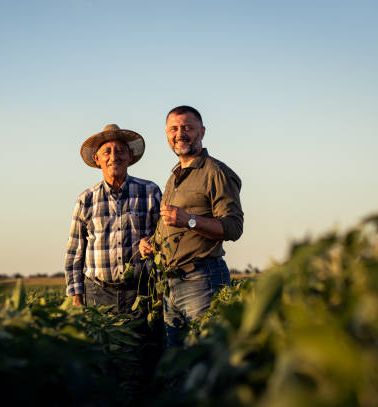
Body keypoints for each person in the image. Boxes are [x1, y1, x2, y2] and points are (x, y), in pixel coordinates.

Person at [140, 106, 244, 347]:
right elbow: (170, 224)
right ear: (166, 134)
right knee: (178, 362)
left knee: (205, 359)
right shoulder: (174, 176)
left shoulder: (216, 172)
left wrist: (189, 219)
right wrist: (151, 243)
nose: (180, 134)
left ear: (202, 132)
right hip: (171, 284)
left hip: (203, 280)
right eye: (174, 129)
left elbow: (233, 227)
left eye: (187, 127)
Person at [65, 124, 162, 315]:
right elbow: (75, 251)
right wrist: (76, 296)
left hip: (141, 291)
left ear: (130, 156)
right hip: (98, 292)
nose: (113, 156)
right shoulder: (86, 199)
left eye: (120, 151)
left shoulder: (150, 192)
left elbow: (164, 239)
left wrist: (160, 288)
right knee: (102, 344)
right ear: (97, 159)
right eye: (107, 151)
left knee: (143, 344)